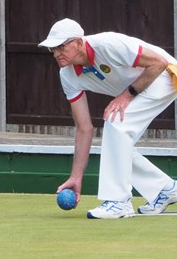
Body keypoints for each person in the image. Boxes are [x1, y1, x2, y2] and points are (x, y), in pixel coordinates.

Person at [38, 18, 177, 219]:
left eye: (61, 46)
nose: (57, 53)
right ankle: (165, 190)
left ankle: (119, 201)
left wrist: (126, 96)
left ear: (79, 42)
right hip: (144, 85)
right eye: (53, 48)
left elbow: (159, 63)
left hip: (165, 75)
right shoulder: (68, 75)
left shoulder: (108, 44)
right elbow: (84, 127)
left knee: (116, 122)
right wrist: (76, 177)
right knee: (117, 144)